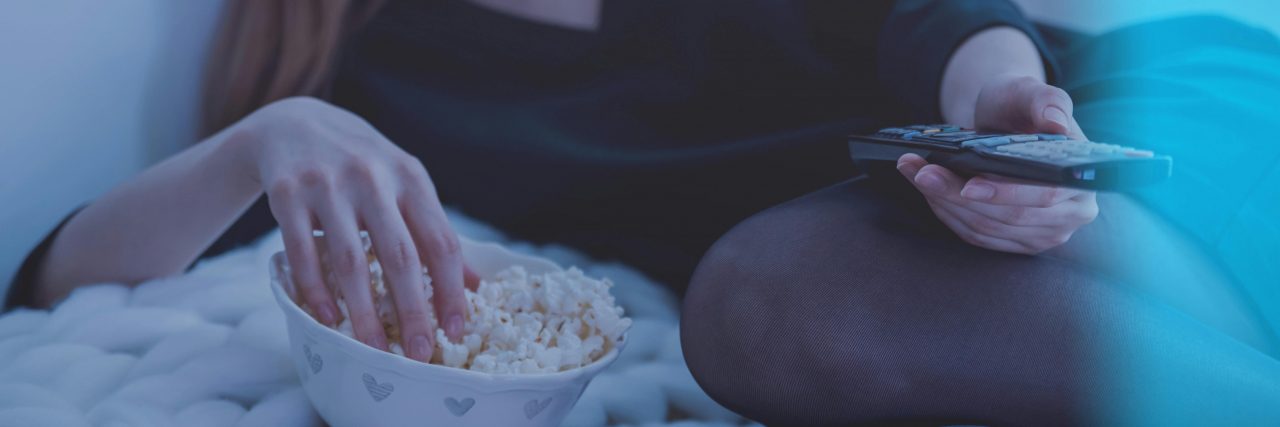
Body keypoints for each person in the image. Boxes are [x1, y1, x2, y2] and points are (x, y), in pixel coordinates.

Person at [5, 0, 1277, 424]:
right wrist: (260, 141)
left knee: (776, 291)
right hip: (872, 281)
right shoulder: (386, 64)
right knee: (765, 304)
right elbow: (56, 287)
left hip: (1131, 125)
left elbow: (942, 19)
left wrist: (1004, 113)